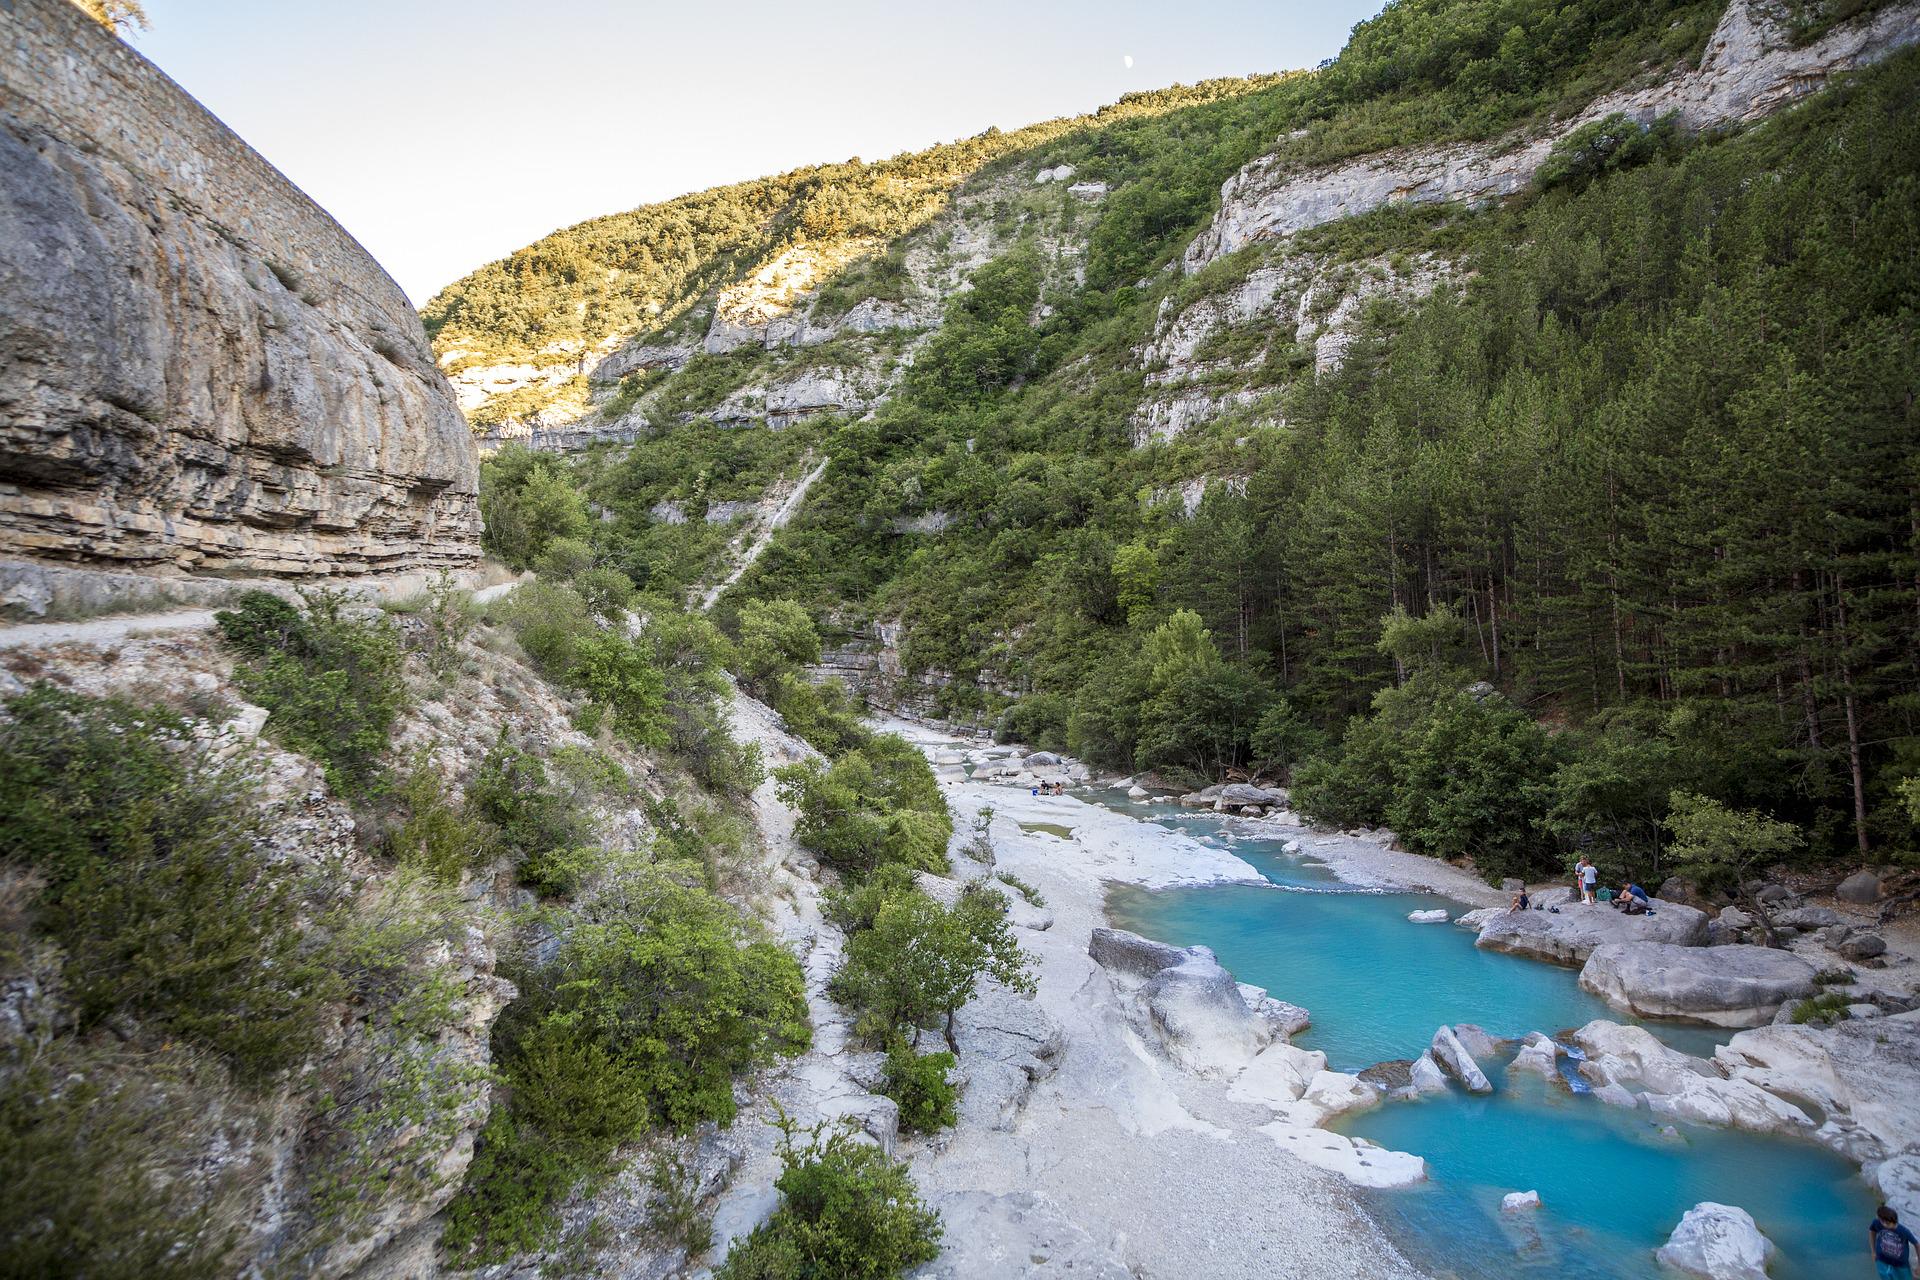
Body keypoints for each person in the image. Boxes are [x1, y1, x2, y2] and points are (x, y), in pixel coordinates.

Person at [1871, 1204, 1918, 1278]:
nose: (1886, 1225)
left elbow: (1917, 1244)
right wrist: (1873, 1251)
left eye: (1889, 1223)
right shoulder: (1877, 1223)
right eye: (1883, 1222)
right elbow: (1872, 1231)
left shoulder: (1903, 1231)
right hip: (1882, 1260)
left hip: (1900, 1265)